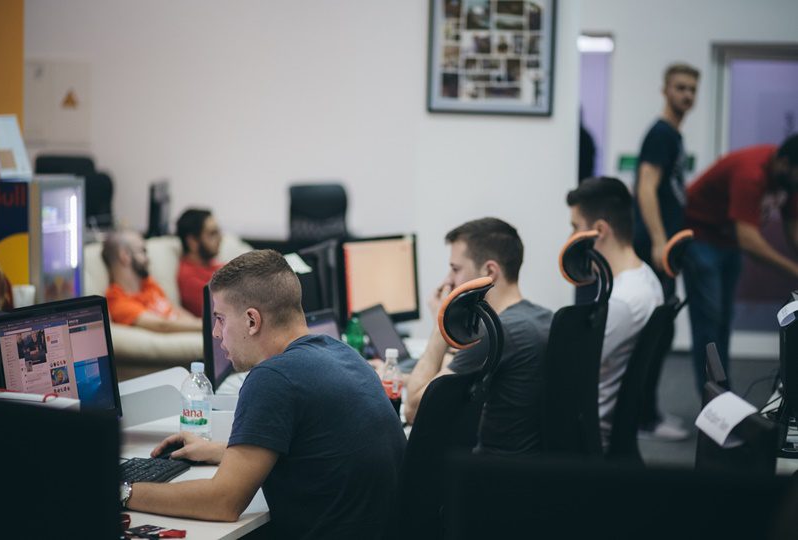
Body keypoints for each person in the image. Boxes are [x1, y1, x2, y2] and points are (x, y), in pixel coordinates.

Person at [122, 250, 406, 539]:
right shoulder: (344, 353)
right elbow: (308, 452)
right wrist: (219, 451)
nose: (216, 333)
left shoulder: (274, 378)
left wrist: (123, 491)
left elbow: (222, 502)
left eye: (220, 319)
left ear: (252, 321)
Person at [405, 217, 552, 456]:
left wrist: (440, 326)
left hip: (489, 472)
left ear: (490, 271)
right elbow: (460, 373)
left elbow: (414, 409)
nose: (448, 281)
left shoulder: (496, 333)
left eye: (455, 269)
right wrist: (403, 378)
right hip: (530, 469)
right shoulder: (542, 318)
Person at [684, 134, 798, 391]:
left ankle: (723, 392)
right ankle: (712, 399)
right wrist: (794, 270)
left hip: (728, 241)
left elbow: (794, 229)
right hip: (700, 237)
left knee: (724, 319)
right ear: (784, 163)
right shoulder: (751, 173)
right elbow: (750, 241)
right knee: (709, 321)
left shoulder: (789, 180)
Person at [567, 177, 669, 447]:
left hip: (585, 434)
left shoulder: (622, 302)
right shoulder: (645, 277)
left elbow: (570, 372)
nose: (570, 239)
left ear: (599, 230)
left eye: (575, 227)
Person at [633, 63, 699, 298]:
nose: (687, 95)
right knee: (656, 308)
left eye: (692, 89)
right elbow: (646, 188)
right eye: (680, 88)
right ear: (665, 91)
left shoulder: (673, 134)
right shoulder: (661, 134)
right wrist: (659, 242)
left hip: (669, 237)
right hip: (653, 242)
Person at [102, 230, 202, 332]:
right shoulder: (117, 301)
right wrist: (205, 326)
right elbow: (162, 325)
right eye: (142, 251)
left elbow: (174, 310)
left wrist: (200, 323)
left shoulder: (148, 283)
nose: (148, 259)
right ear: (125, 256)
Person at [176, 208, 223, 317]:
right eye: (212, 233)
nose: (220, 238)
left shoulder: (215, 265)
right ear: (192, 241)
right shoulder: (189, 278)